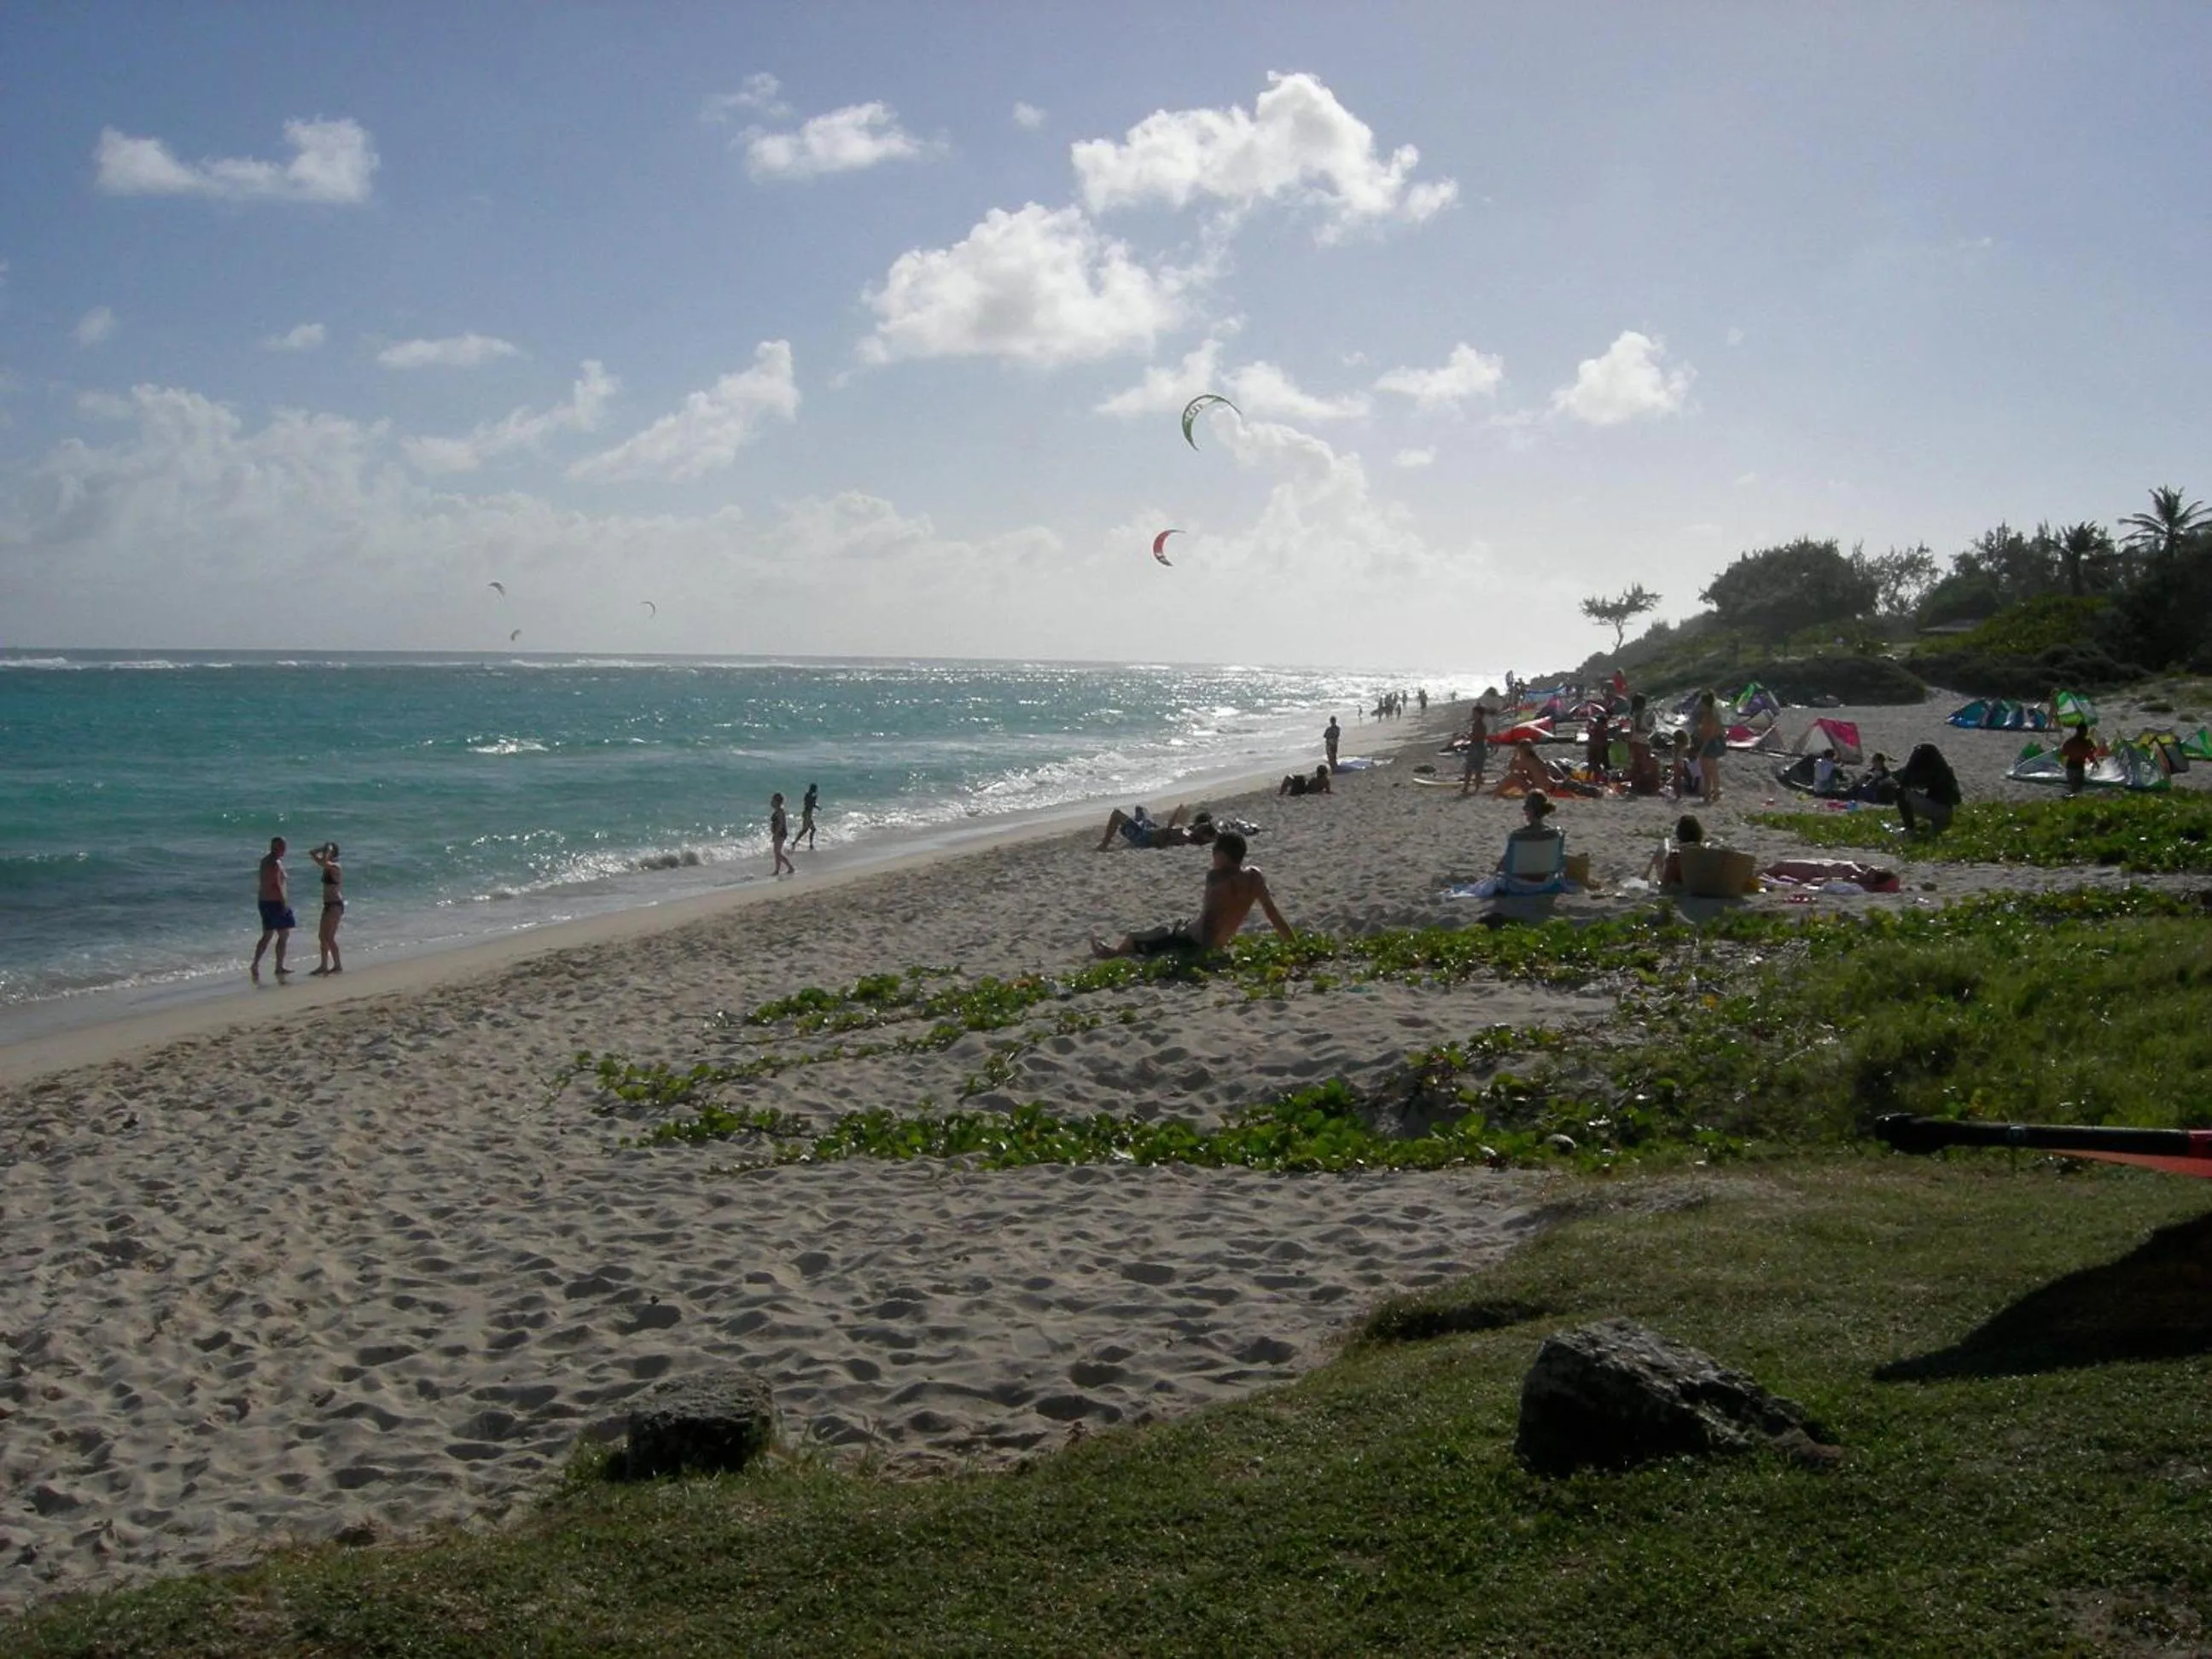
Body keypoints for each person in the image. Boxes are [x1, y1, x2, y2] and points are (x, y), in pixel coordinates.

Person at [1091, 830, 1294, 959]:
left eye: (1215, 850)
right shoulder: (1254, 877)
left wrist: (1202, 957)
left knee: (1135, 938)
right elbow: (1273, 915)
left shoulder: (1216, 879)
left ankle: (1114, 953)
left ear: (1222, 855)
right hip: (1216, 940)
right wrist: (1294, 945)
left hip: (1194, 942)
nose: (1213, 855)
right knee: (1170, 927)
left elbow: (1209, 921)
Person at [252, 836, 294, 982]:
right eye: (283, 847)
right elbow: (276, 885)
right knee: (283, 935)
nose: (284, 850)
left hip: (264, 901)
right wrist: (283, 903)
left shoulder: (266, 861)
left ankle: (256, 964)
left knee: (268, 935)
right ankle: (278, 966)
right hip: (274, 902)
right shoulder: (274, 863)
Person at [1895, 743, 1963, 834]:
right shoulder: (1946, 770)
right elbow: (1957, 800)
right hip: (1948, 813)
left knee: (1900, 793)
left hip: (1936, 811)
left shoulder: (1925, 771)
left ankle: (1910, 829)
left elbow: (1905, 782)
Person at [1499, 790, 1565, 874]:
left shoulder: (1518, 836)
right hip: (1546, 881)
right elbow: (1559, 864)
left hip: (1517, 883)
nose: (1523, 808)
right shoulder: (1555, 835)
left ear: (1530, 809)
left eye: (1526, 805)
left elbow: (1509, 866)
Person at [307, 841, 344, 975]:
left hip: (335, 904)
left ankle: (337, 965)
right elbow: (312, 853)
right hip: (327, 904)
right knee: (322, 936)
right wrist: (322, 848)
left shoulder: (335, 867)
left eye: (329, 851)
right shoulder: (327, 866)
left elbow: (322, 862)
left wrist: (327, 852)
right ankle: (323, 965)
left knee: (329, 937)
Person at [1644, 814, 1705, 888]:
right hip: (1699, 885)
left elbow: (1665, 885)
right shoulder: (1707, 852)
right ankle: (1645, 874)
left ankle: (1646, 874)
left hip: (1679, 884)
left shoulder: (1676, 857)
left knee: (1664, 844)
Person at [1694, 690, 1726, 804]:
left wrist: (1701, 751)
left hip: (1709, 745)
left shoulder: (1709, 717)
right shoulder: (1715, 714)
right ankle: (1716, 792)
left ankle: (1707, 795)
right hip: (1716, 743)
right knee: (1714, 770)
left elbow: (1708, 736)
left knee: (1706, 772)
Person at [1458, 702, 1491, 796]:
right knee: (1478, 770)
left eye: (1475, 714)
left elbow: (1476, 737)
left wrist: (1467, 736)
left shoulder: (1478, 725)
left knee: (1469, 769)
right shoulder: (1479, 724)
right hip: (1480, 748)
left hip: (1476, 748)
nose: (1473, 715)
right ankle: (1476, 788)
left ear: (1480, 715)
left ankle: (1466, 787)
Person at [2058, 724, 2097, 798]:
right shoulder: (2085, 743)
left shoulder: (2069, 741)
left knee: (2073, 786)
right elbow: (2090, 756)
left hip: (2069, 767)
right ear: (2084, 731)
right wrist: (2096, 763)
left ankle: (2068, 797)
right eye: (2086, 731)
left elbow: (2063, 753)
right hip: (2078, 768)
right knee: (2077, 788)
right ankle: (2068, 798)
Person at [770, 792, 796, 876]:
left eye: (773, 800)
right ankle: (777, 870)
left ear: (777, 802)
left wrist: (776, 834)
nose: (771, 802)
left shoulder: (780, 812)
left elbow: (781, 824)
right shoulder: (777, 811)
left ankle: (790, 867)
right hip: (779, 833)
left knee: (777, 852)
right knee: (777, 852)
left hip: (780, 833)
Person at [797, 783, 820, 849]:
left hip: (808, 814)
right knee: (805, 830)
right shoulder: (809, 795)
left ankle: (811, 844)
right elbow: (809, 804)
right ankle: (796, 842)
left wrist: (817, 806)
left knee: (812, 829)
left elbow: (811, 804)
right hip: (807, 814)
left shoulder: (809, 795)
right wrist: (814, 799)